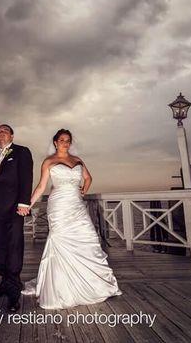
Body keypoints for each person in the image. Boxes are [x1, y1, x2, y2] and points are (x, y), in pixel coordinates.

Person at [22, 129, 121, 309]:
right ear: (55, 142)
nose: (65, 143)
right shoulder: (49, 162)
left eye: (68, 140)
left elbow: (88, 178)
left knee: (89, 237)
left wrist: (83, 189)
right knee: (61, 241)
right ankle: (62, 288)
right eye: (61, 140)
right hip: (58, 205)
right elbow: (41, 186)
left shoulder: (78, 161)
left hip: (76, 204)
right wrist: (27, 204)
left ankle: (93, 284)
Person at [0, 124, 33, 312]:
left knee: (13, 247)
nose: (1, 133)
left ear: (12, 135)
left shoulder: (21, 152)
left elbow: (26, 178)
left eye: (4, 130)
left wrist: (23, 203)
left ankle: (13, 293)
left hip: (13, 209)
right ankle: (5, 283)